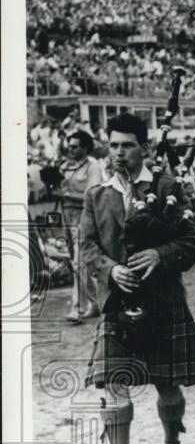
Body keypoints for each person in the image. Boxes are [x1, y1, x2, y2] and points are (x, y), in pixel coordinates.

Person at [79, 113, 195, 444]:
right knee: (110, 383)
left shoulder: (167, 186)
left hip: (161, 299)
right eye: (115, 145)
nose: (120, 152)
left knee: (166, 383)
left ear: (145, 148)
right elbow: (86, 246)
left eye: (128, 145)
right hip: (117, 300)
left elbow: (193, 238)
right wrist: (110, 270)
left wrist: (161, 253)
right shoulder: (96, 194)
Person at [56, 130, 106, 323]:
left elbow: (92, 195)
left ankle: (77, 308)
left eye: (75, 146)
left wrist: (65, 194)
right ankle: (96, 303)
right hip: (67, 216)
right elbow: (60, 188)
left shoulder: (93, 166)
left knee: (79, 263)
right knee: (76, 262)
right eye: (69, 146)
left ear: (85, 147)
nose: (71, 149)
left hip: (84, 217)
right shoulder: (67, 166)